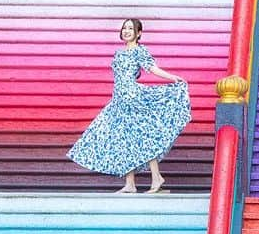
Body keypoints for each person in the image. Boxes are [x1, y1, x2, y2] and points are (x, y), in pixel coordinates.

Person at [67, 18, 191, 194]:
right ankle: (130, 183)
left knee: (145, 137)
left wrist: (173, 77)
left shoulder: (140, 51)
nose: (126, 31)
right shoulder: (119, 53)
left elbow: (152, 69)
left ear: (138, 33)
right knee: (124, 139)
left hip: (133, 98)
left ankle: (156, 178)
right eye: (124, 28)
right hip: (119, 100)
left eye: (130, 28)